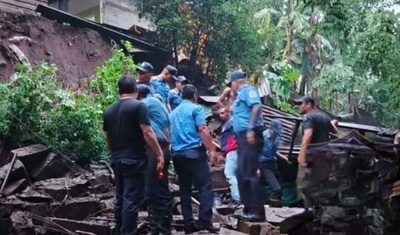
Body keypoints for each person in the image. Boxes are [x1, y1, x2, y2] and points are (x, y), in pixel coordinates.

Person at [103, 76, 164, 235]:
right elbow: (148, 132)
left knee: (120, 198)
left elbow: (108, 137)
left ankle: (119, 229)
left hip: (117, 158)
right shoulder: (138, 106)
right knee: (131, 199)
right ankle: (128, 232)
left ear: (119, 91)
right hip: (134, 159)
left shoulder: (109, 110)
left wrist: (113, 152)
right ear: (136, 91)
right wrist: (159, 154)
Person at [170, 84, 219, 234]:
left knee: (184, 189)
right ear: (195, 96)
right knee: (205, 186)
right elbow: (202, 129)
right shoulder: (196, 109)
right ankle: (204, 221)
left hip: (177, 155)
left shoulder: (172, 113)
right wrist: (212, 149)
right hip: (193, 153)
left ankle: (188, 223)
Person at [230, 71, 266, 222]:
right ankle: (248, 208)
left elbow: (257, 106)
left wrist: (250, 129)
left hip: (250, 135)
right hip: (243, 137)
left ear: (236, 82)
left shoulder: (247, 90)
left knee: (249, 173)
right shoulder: (239, 96)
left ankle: (257, 212)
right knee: (241, 172)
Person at [137, 84, 172, 235]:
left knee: (154, 190)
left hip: (155, 149)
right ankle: (160, 227)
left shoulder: (145, 104)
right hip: (163, 148)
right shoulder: (158, 102)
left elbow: (146, 131)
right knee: (159, 187)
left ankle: (159, 229)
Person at [294, 95, 338, 207]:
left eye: (302, 104)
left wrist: (302, 154)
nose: (300, 106)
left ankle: (309, 209)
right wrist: (332, 122)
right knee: (322, 182)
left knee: (305, 184)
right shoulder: (323, 116)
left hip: (313, 156)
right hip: (325, 155)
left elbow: (308, 134)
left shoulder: (308, 117)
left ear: (309, 105)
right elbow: (335, 131)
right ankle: (320, 209)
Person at [218, 107, 240, 206]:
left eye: (222, 113)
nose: (220, 115)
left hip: (233, 151)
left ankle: (236, 198)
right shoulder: (227, 124)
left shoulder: (232, 122)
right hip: (232, 151)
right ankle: (238, 197)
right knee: (236, 175)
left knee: (229, 174)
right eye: (219, 113)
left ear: (228, 112)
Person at [259, 119, 283, 207]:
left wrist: (284, 158)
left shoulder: (277, 137)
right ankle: (273, 207)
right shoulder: (262, 137)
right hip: (263, 164)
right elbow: (255, 152)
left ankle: (277, 205)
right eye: (274, 131)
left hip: (272, 162)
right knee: (276, 188)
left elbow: (274, 151)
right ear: (270, 128)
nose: (276, 133)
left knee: (280, 185)